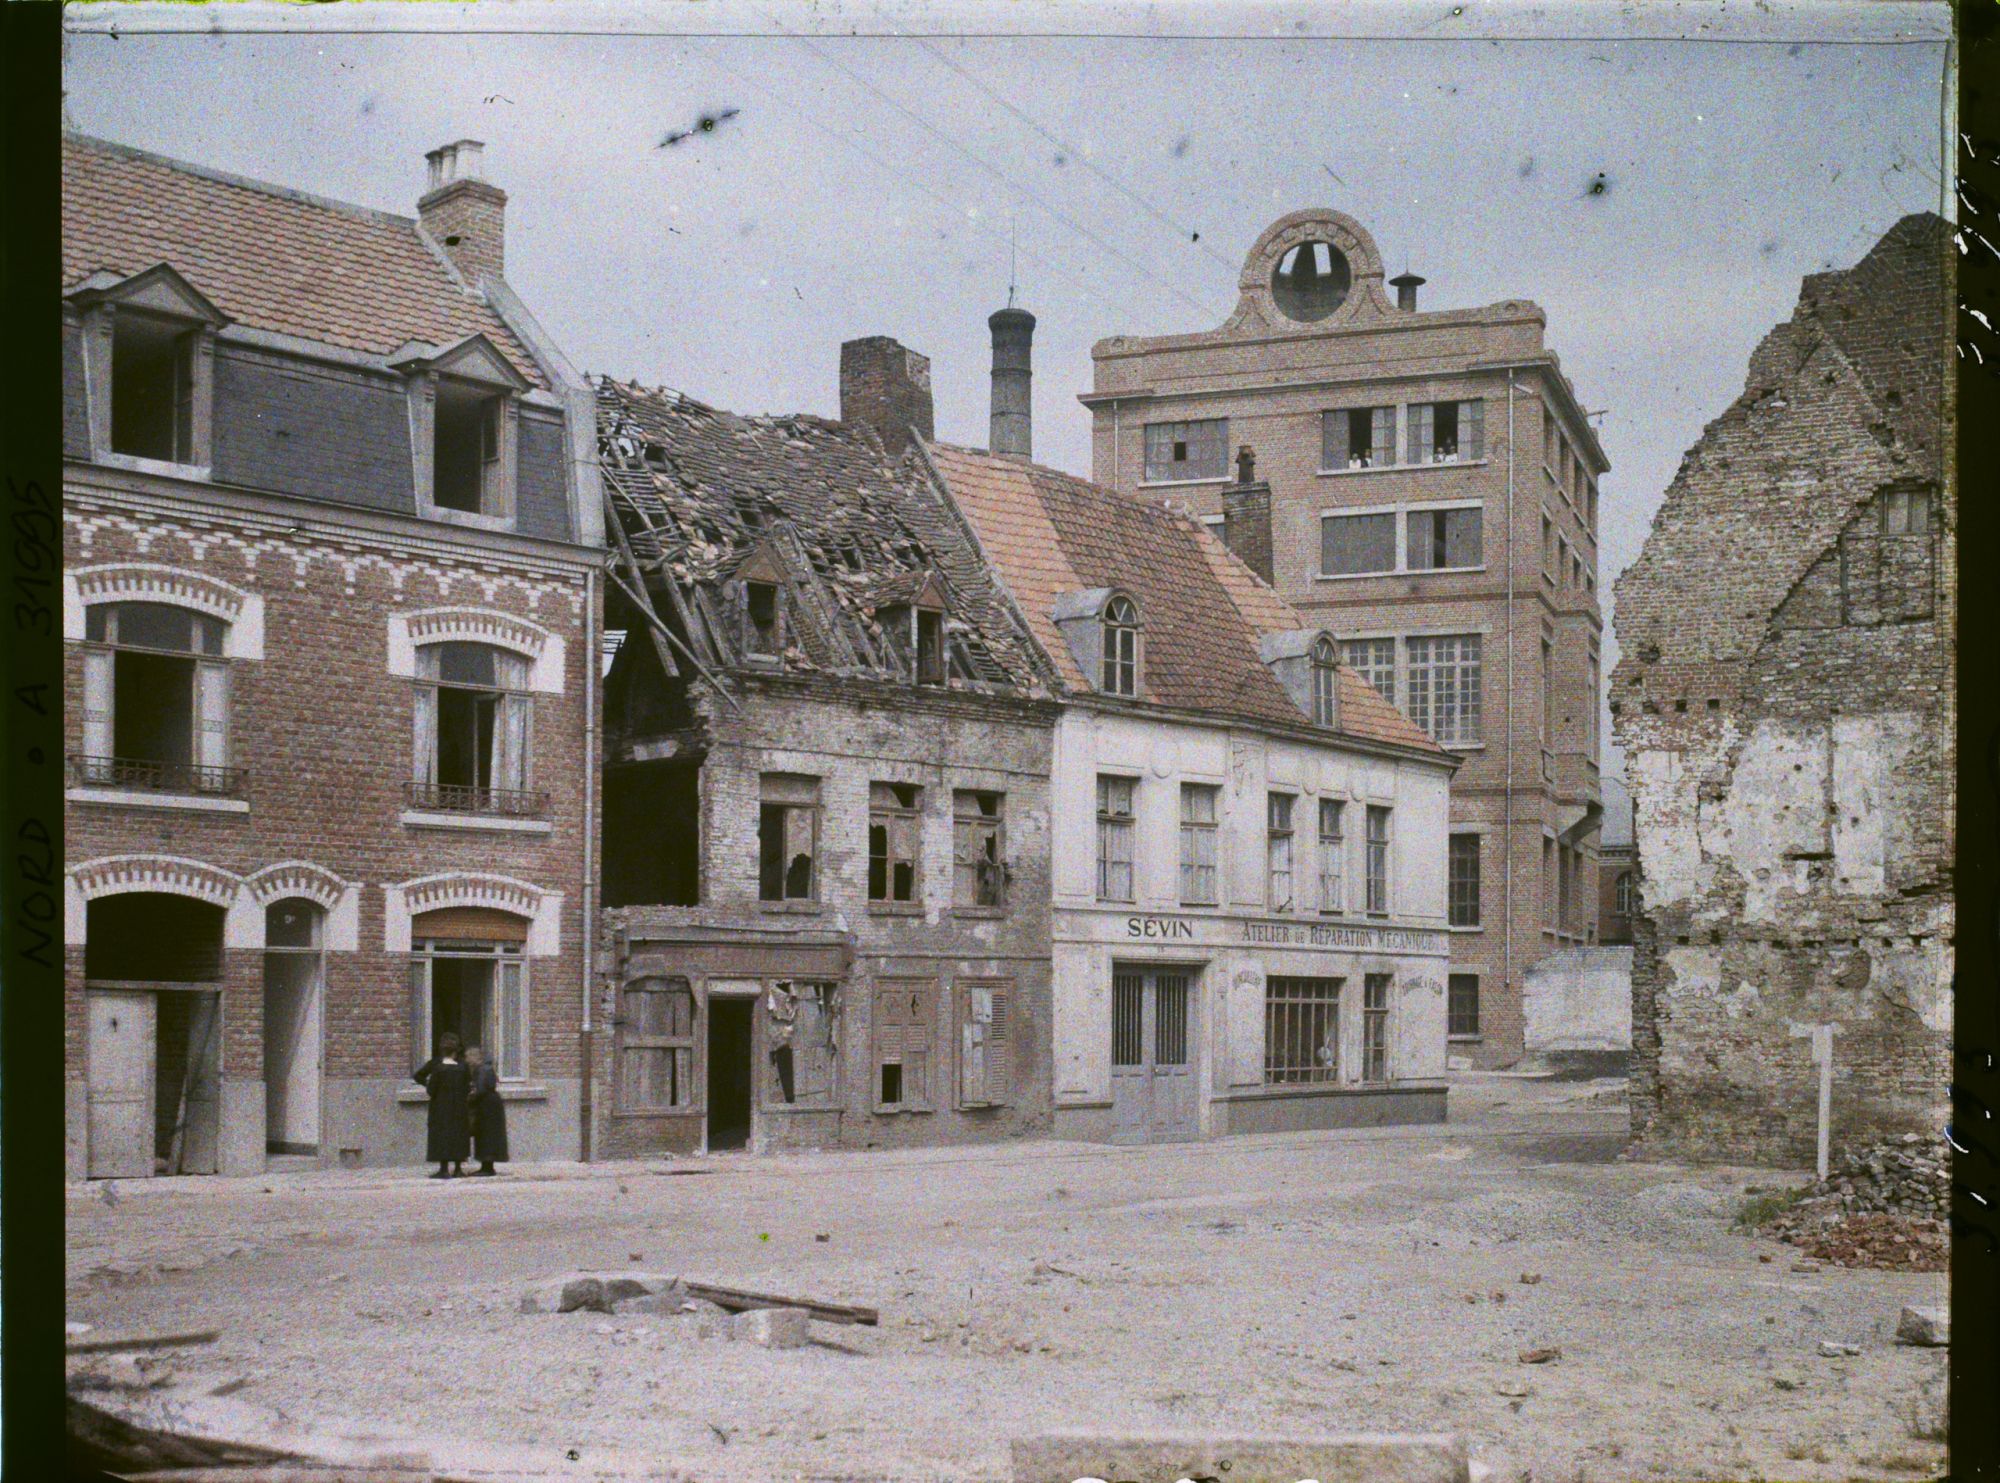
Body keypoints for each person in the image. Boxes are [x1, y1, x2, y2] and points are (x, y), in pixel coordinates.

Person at [412, 1032, 470, 1179]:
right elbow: (468, 1086)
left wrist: (427, 1084)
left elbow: (431, 1089)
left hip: (441, 1107)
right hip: (459, 1107)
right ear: (456, 1050)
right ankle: (458, 1168)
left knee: (442, 1135)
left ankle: (443, 1169)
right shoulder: (463, 1067)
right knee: (458, 1135)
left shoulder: (437, 1066)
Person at [465, 1044, 510, 1177]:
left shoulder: (481, 1070)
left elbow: (480, 1089)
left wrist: (469, 1099)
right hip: (491, 1105)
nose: (466, 1059)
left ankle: (487, 1167)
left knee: (486, 1135)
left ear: (474, 1058)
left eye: (468, 1056)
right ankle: (487, 1166)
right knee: (489, 1135)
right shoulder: (486, 1068)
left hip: (487, 1106)